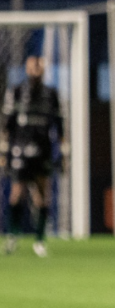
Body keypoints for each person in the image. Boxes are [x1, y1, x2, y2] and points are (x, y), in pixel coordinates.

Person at [1, 55, 63, 258]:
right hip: (19, 147)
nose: (36, 71)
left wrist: (64, 152)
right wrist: (3, 152)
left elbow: (59, 125)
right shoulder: (17, 91)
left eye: (39, 67)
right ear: (27, 69)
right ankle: (13, 235)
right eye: (32, 67)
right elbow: (6, 125)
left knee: (41, 194)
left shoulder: (51, 93)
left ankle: (39, 240)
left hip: (42, 148)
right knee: (17, 192)